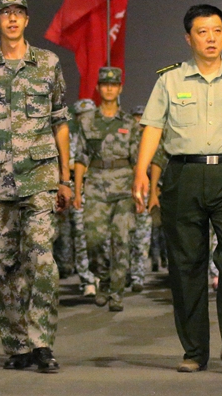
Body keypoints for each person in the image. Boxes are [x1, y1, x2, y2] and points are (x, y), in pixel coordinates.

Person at [133, 4, 222, 376]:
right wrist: (141, 173)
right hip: (184, 175)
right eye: (203, 32)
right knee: (186, 266)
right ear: (189, 38)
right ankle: (195, 350)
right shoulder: (170, 80)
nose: (211, 38)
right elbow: (153, 127)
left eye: (217, 31)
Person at [0, 0, 72, 374]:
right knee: (4, 268)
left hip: (39, 178)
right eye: (4, 13)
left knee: (42, 260)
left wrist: (65, 178)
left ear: (27, 19)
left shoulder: (48, 63)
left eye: (18, 12)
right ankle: (18, 346)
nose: (11, 18)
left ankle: (42, 344)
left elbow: (60, 121)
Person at [73, 67, 145, 312]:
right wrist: (78, 191)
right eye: (105, 84)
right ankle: (102, 278)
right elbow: (80, 157)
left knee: (121, 240)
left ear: (120, 88)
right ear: (98, 88)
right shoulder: (87, 121)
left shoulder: (129, 122)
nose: (109, 89)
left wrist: (139, 192)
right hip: (96, 186)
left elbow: (137, 160)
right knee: (93, 239)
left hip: (124, 188)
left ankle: (116, 292)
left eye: (113, 85)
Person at [53, 98, 98, 296]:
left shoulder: (101, 137)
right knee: (80, 236)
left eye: (88, 115)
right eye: (81, 116)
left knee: (101, 237)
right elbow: (65, 164)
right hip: (78, 192)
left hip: (100, 192)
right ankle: (87, 279)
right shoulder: (68, 139)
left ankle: (100, 274)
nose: (84, 119)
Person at [128, 104, 165, 293]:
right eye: (137, 118)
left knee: (143, 236)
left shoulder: (155, 139)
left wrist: (154, 192)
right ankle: (126, 272)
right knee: (125, 235)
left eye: (142, 119)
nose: (139, 122)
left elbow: (158, 162)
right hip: (124, 190)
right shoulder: (125, 136)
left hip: (146, 189)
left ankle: (137, 276)